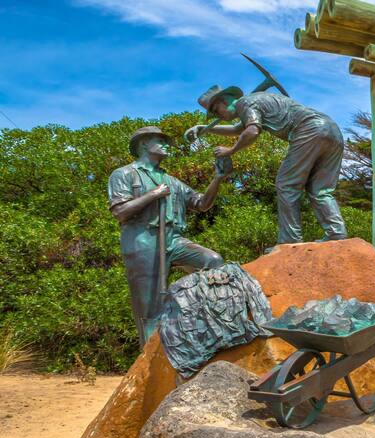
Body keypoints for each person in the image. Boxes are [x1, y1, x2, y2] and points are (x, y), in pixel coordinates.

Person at [108, 126, 228, 346]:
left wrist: (217, 179)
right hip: (143, 239)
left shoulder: (172, 181)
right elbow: (120, 212)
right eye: (160, 141)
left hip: (173, 239)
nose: (166, 145)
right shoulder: (125, 174)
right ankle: (150, 360)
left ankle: (202, 322)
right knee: (150, 308)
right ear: (143, 144)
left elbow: (201, 204)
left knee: (212, 261)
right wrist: (153, 194)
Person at [188, 86, 347, 245]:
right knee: (320, 189)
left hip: (309, 130)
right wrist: (205, 130)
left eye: (216, 111)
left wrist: (230, 150)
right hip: (331, 130)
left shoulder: (245, 103)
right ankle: (336, 232)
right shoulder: (254, 101)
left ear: (223, 101)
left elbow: (252, 131)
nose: (218, 116)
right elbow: (238, 129)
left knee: (286, 184)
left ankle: (290, 239)